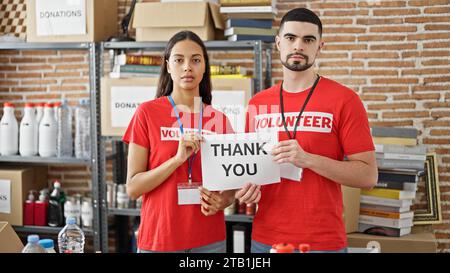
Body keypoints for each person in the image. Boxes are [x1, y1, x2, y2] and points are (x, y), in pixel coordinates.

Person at [235, 8, 378, 253]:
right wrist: (245, 190)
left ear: (320, 46)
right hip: (265, 240)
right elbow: (249, 171)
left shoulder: (345, 100)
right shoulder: (257, 103)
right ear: (279, 43)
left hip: (323, 242)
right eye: (291, 38)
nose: (298, 46)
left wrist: (308, 159)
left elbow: (367, 176)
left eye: (308, 40)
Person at [123, 31, 235, 253]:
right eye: (179, 60)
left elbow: (231, 185)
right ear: (168, 66)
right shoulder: (147, 113)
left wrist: (225, 200)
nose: (187, 67)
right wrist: (176, 160)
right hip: (160, 239)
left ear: (204, 66)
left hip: (209, 240)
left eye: (195, 60)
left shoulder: (220, 120)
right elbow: (133, 188)